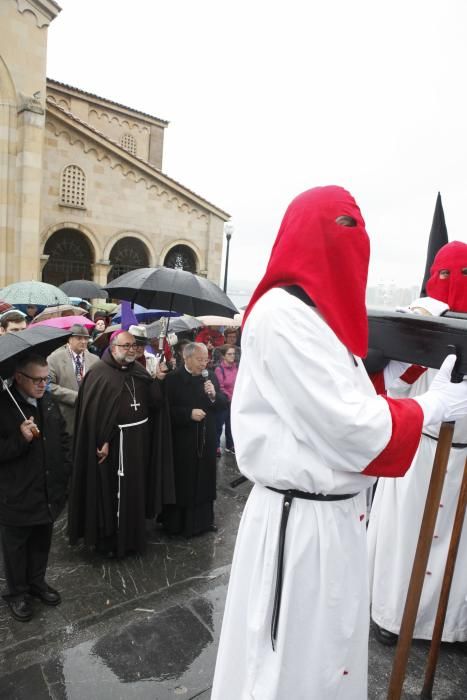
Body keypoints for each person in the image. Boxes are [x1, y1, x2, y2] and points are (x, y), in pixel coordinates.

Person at [211, 187, 467, 700]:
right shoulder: (281, 315)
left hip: (336, 518)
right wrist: (433, 406)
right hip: (299, 524)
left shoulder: (318, 322)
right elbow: (349, 425)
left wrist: (398, 375)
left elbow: (357, 395)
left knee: (331, 658)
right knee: (290, 670)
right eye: (343, 226)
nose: (355, 242)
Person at [368, 240, 467, 646]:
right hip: (420, 450)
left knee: (458, 553)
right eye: (444, 275)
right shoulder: (419, 319)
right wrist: (425, 334)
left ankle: (452, 628)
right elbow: (388, 380)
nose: (452, 285)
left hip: (464, 460)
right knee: (404, 539)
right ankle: (391, 617)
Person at [69, 330, 167, 558]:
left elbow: (155, 403)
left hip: (138, 442)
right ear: (113, 348)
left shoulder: (140, 371)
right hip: (113, 446)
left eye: (134, 345)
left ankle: (133, 536)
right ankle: (110, 539)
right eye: (126, 346)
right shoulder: (98, 374)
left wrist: (158, 381)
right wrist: (102, 439)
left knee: (136, 490)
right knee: (110, 493)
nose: (131, 349)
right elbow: (93, 414)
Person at [0, 354, 71, 621]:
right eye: (37, 380)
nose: (43, 385)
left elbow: (62, 436)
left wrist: (65, 469)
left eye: (46, 380)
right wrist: (21, 439)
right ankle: (17, 593)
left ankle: (36, 582)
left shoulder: (47, 400)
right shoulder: (4, 405)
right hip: (16, 494)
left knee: (42, 542)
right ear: (19, 378)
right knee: (16, 548)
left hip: (47, 489)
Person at [163, 342, 227, 537]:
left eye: (206, 359)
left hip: (206, 437)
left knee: (205, 479)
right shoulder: (173, 379)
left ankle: (204, 522)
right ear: (187, 358)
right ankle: (181, 525)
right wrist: (188, 414)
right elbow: (166, 411)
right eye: (200, 360)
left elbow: (222, 403)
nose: (203, 364)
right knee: (185, 480)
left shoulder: (210, 377)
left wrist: (214, 395)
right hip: (183, 440)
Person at [47, 324, 100, 437]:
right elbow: (48, 386)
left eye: (86, 338)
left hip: (89, 416)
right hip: (65, 416)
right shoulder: (54, 358)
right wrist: (75, 396)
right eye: (79, 338)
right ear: (69, 339)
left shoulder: (95, 360)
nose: (83, 341)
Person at [214, 345, 238, 456]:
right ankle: (216, 446)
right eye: (229, 354)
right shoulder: (219, 369)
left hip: (234, 402)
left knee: (231, 425)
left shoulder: (236, 367)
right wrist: (230, 397)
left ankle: (230, 445)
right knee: (219, 425)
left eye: (233, 353)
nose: (232, 356)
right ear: (223, 356)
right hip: (224, 402)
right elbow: (220, 387)